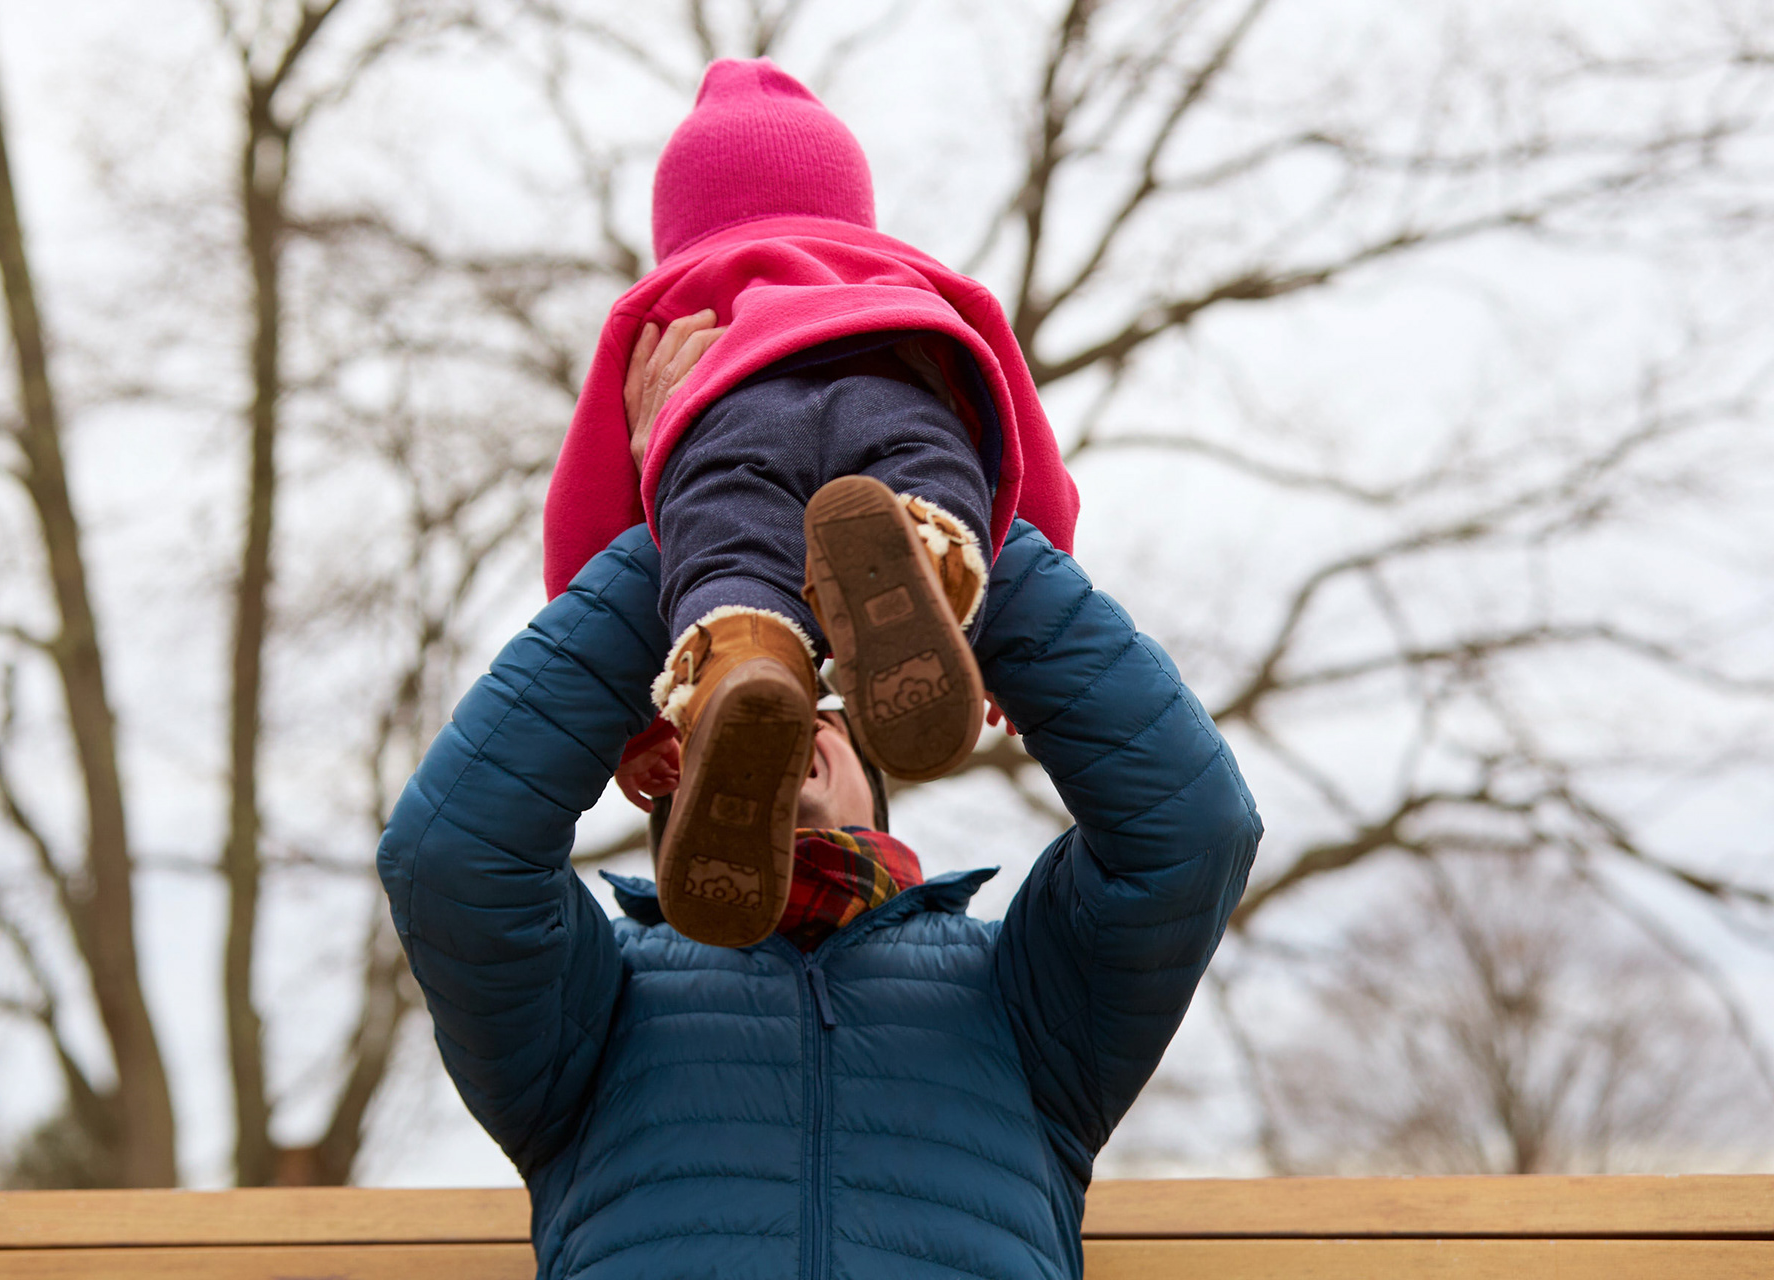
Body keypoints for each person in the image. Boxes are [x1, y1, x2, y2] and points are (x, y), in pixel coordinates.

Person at [376, 515, 1263, 1278]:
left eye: (820, 708)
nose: (793, 716)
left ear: (869, 780)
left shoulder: (1019, 993)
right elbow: (453, 857)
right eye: (747, 713)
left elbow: (1189, 829)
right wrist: (701, 527)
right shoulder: (595, 1003)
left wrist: (967, 560)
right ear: (672, 776)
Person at [541, 57, 1083, 945]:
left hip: (723, 434)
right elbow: (1025, 443)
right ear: (851, 202)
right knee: (928, 490)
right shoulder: (908, 273)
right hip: (895, 398)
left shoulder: (660, 307)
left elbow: (585, 510)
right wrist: (1020, 644)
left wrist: (634, 728)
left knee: (729, 569)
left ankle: (743, 669)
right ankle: (928, 564)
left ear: (676, 226)